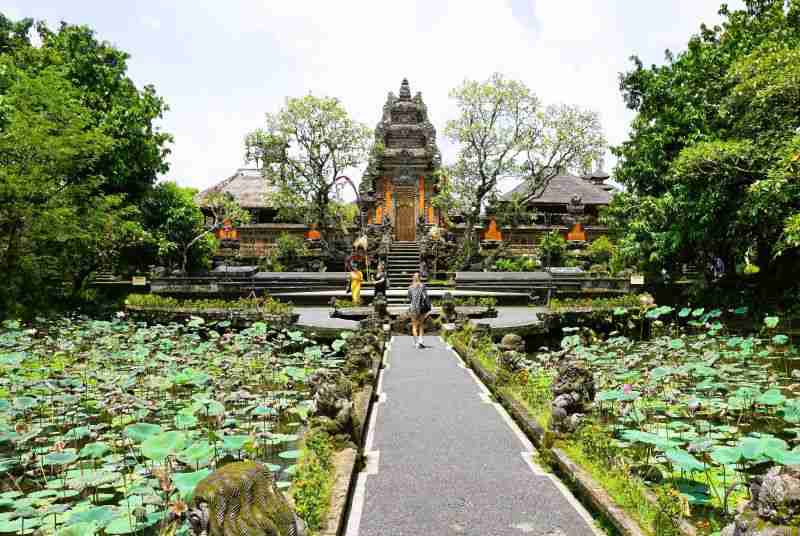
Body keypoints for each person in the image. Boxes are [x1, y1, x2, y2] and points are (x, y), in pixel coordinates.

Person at [407, 272, 431, 349]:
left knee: (414, 326)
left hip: (413, 308)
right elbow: (425, 297)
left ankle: (416, 343)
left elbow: (409, 298)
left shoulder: (410, 287)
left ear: (413, 278)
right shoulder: (422, 286)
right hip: (421, 308)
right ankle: (421, 341)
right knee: (421, 324)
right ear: (420, 278)